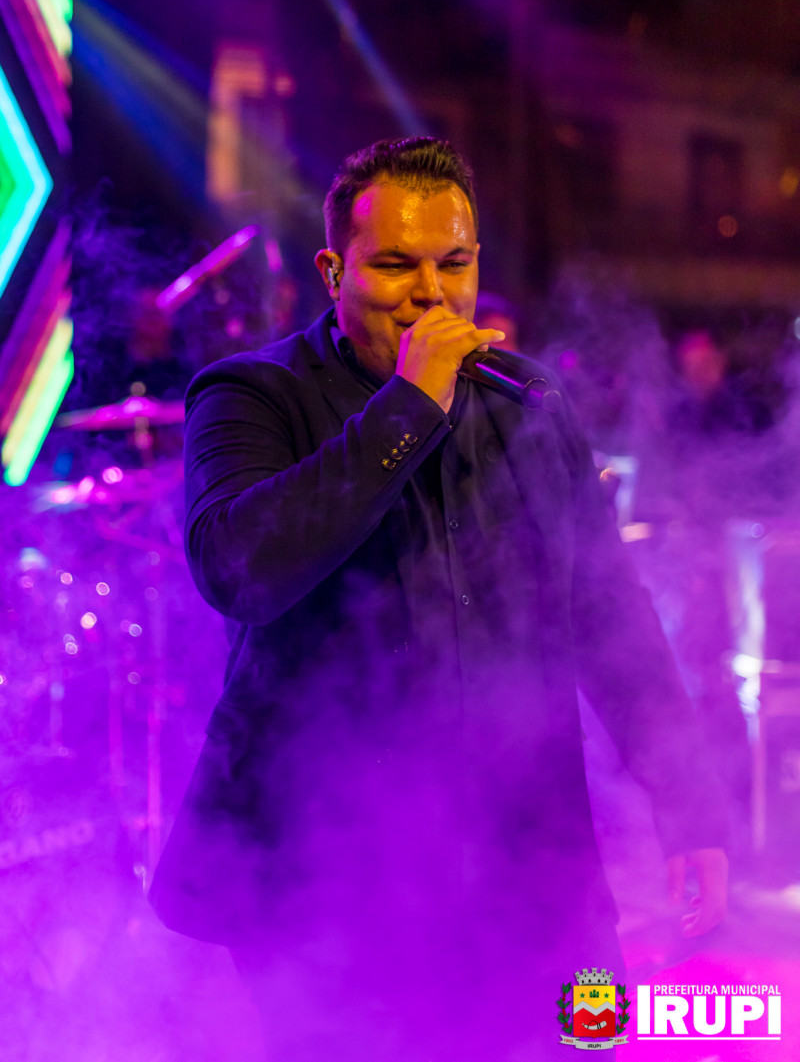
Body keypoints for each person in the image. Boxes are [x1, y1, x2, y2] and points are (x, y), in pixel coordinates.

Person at [149, 137, 728, 1062]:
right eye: (395, 265)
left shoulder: (529, 399)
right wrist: (409, 406)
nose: (431, 294)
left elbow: (608, 613)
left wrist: (687, 800)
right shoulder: (252, 394)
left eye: (453, 264)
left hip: (532, 864)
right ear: (333, 271)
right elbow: (237, 567)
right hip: (330, 879)